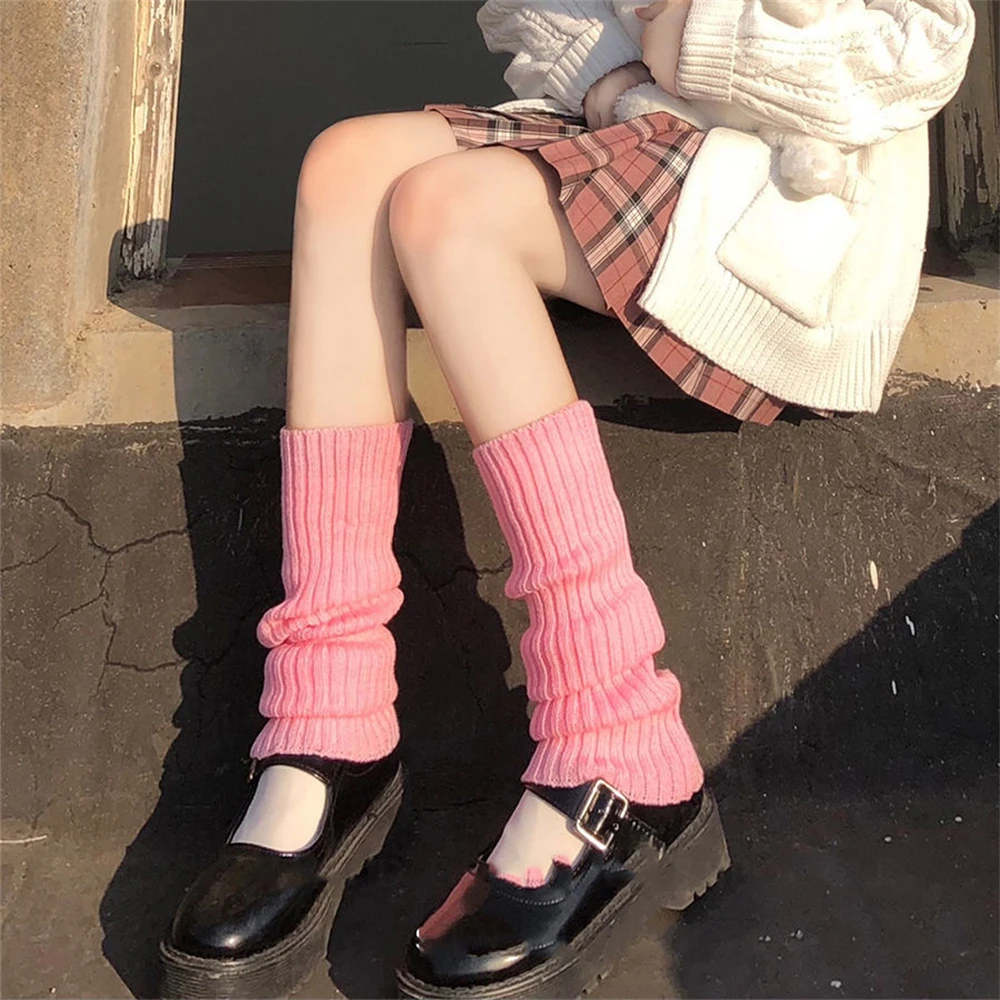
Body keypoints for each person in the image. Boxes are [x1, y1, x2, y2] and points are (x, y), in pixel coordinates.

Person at [159, 1, 975, 997]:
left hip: (795, 197)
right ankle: (328, 712)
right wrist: (623, 85)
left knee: (446, 213)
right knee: (346, 171)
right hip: (631, 127)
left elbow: (921, 47)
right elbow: (532, 12)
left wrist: (698, 38)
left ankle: (616, 730)